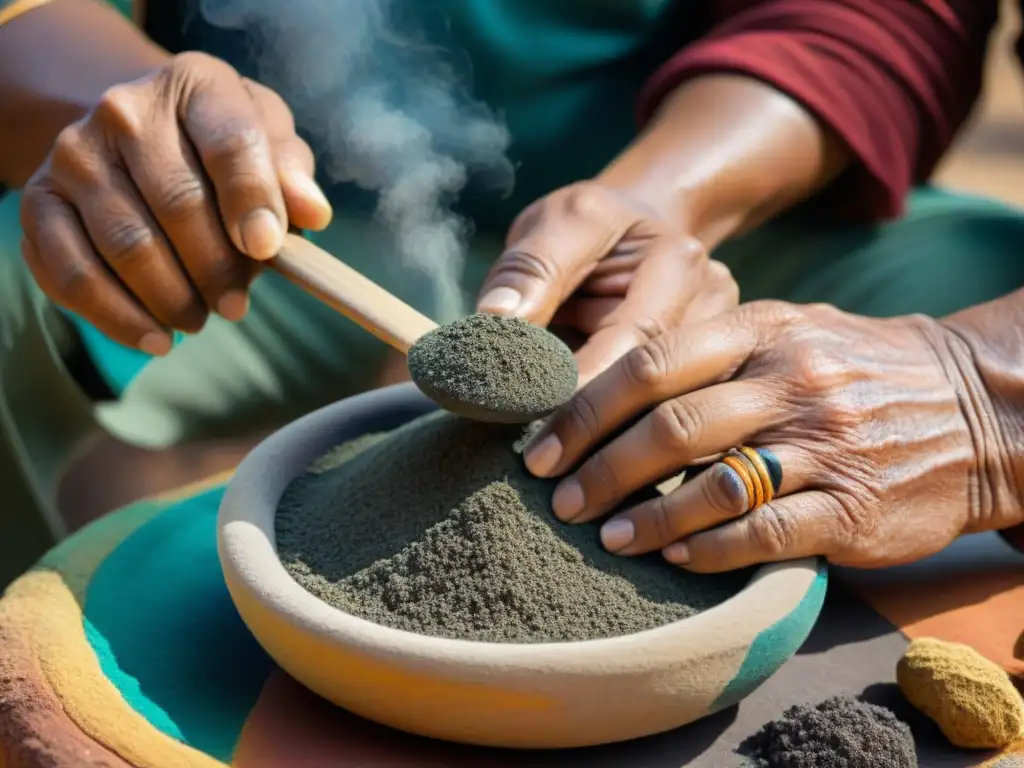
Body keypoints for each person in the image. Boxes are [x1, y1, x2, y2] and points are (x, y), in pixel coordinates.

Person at [2, 0, 1022, 570]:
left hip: (725, 215)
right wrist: (129, 121)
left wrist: (976, 388)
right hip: (275, 216)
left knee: (996, 285)